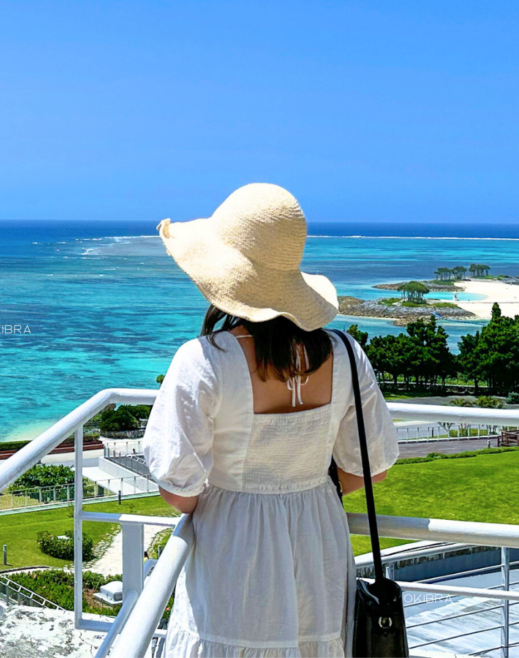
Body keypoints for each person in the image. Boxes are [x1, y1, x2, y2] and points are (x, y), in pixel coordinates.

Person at [143, 184, 399, 657]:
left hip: (232, 542)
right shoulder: (345, 352)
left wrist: (244, 494)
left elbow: (179, 490)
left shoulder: (205, 360)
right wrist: (298, 480)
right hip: (318, 532)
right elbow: (371, 466)